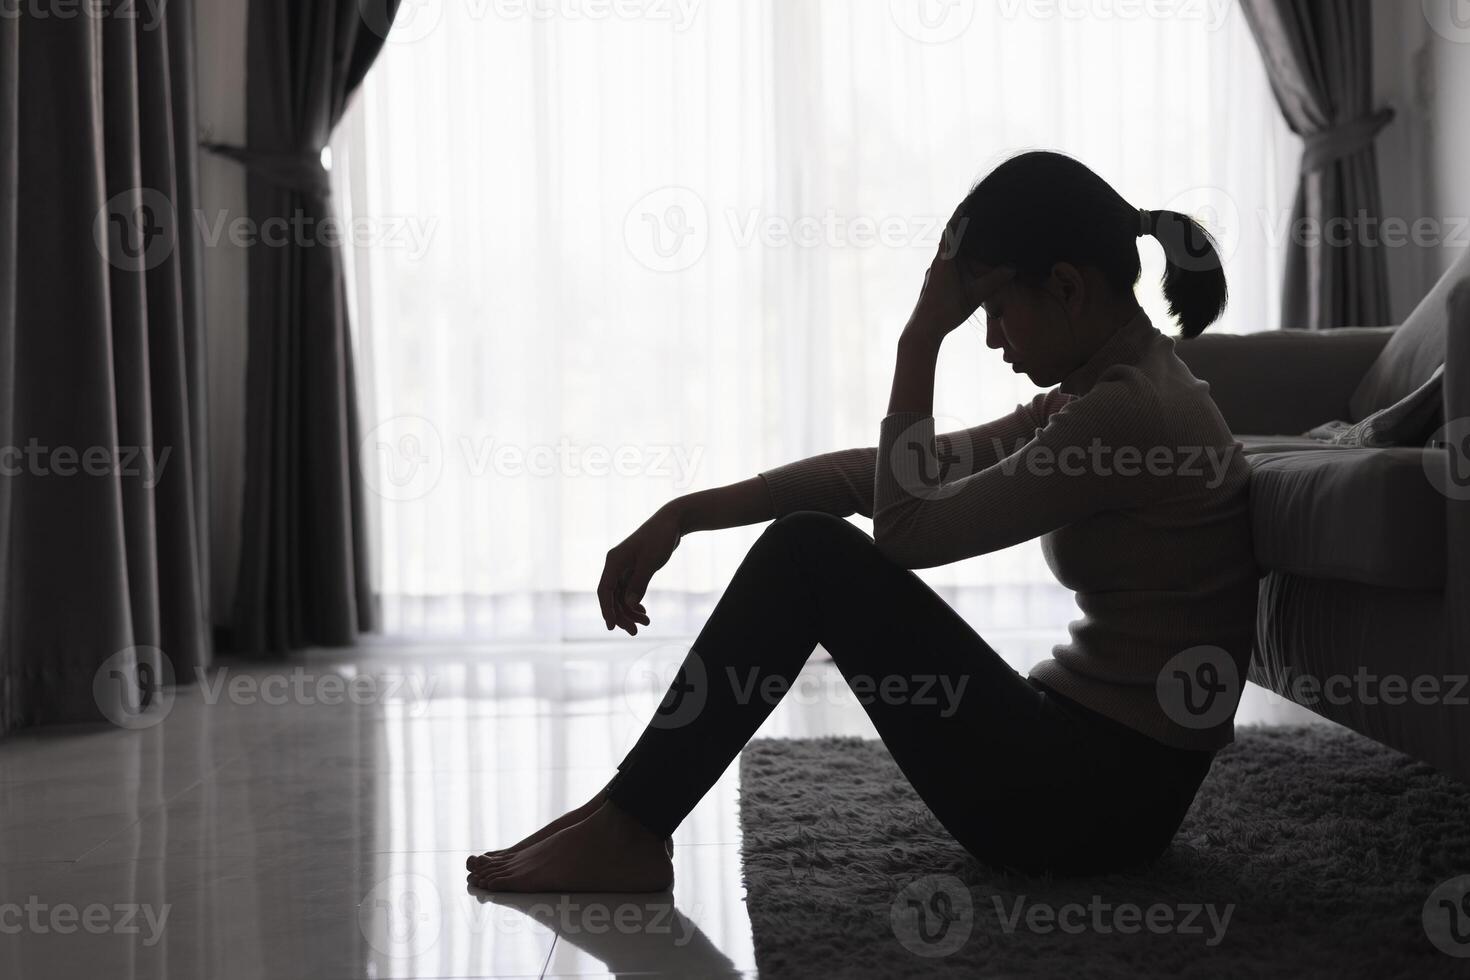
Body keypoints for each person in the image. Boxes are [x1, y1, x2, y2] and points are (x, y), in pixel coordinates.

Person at [466, 150, 1258, 892]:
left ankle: (631, 827)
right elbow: (876, 481)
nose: (988, 337)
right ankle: (628, 812)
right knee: (811, 542)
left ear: (1065, 287)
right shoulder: (1107, 392)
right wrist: (683, 515)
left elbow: (905, 533)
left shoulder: (1127, 414)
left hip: (1090, 814)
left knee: (810, 555)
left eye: (993, 309)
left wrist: (921, 337)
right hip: (1093, 778)